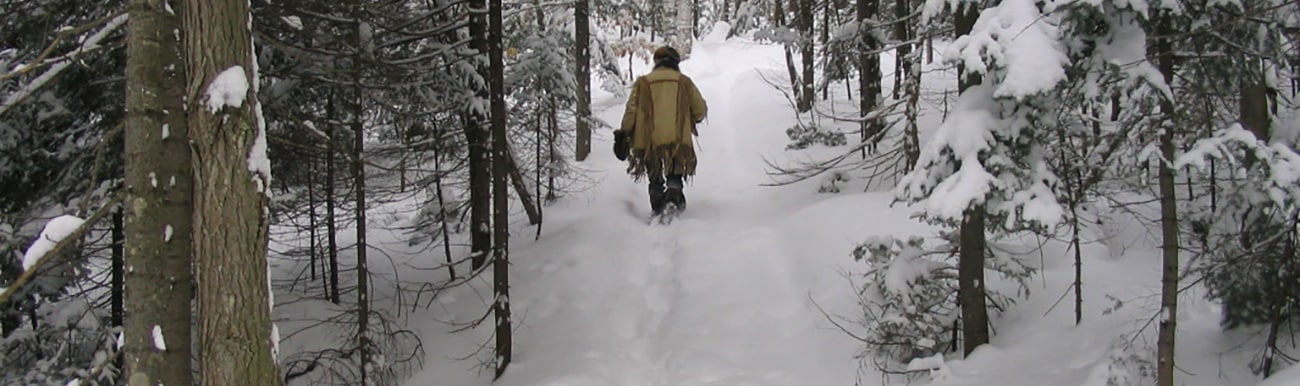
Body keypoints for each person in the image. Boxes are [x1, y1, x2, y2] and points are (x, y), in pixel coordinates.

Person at [615, 46, 708, 215]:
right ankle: (673, 193)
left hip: (649, 141)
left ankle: (657, 199)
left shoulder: (642, 83)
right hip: (677, 139)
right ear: (675, 62)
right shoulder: (684, 82)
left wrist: (623, 134)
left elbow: (631, 111)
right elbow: (700, 109)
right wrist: (693, 118)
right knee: (675, 169)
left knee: (654, 173)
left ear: (656, 62)